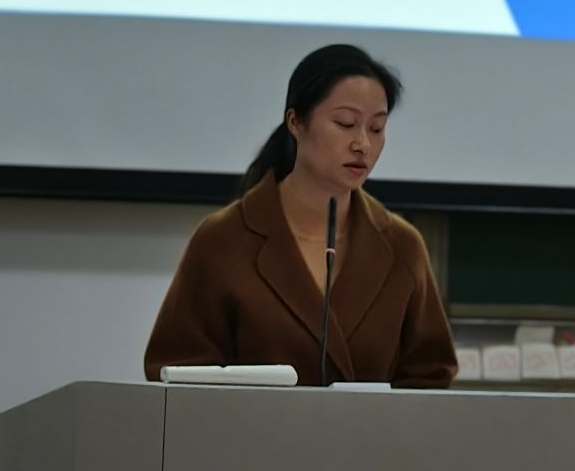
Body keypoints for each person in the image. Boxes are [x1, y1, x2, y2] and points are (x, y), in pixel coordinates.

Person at [143, 44, 457, 387]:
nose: (363, 145)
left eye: (377, 128)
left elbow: (430, 378)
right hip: (251, 424)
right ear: (295, 122)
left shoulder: (402, 245)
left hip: (370, 426)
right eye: (345, 123)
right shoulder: (224, 238)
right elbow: (177, 368)